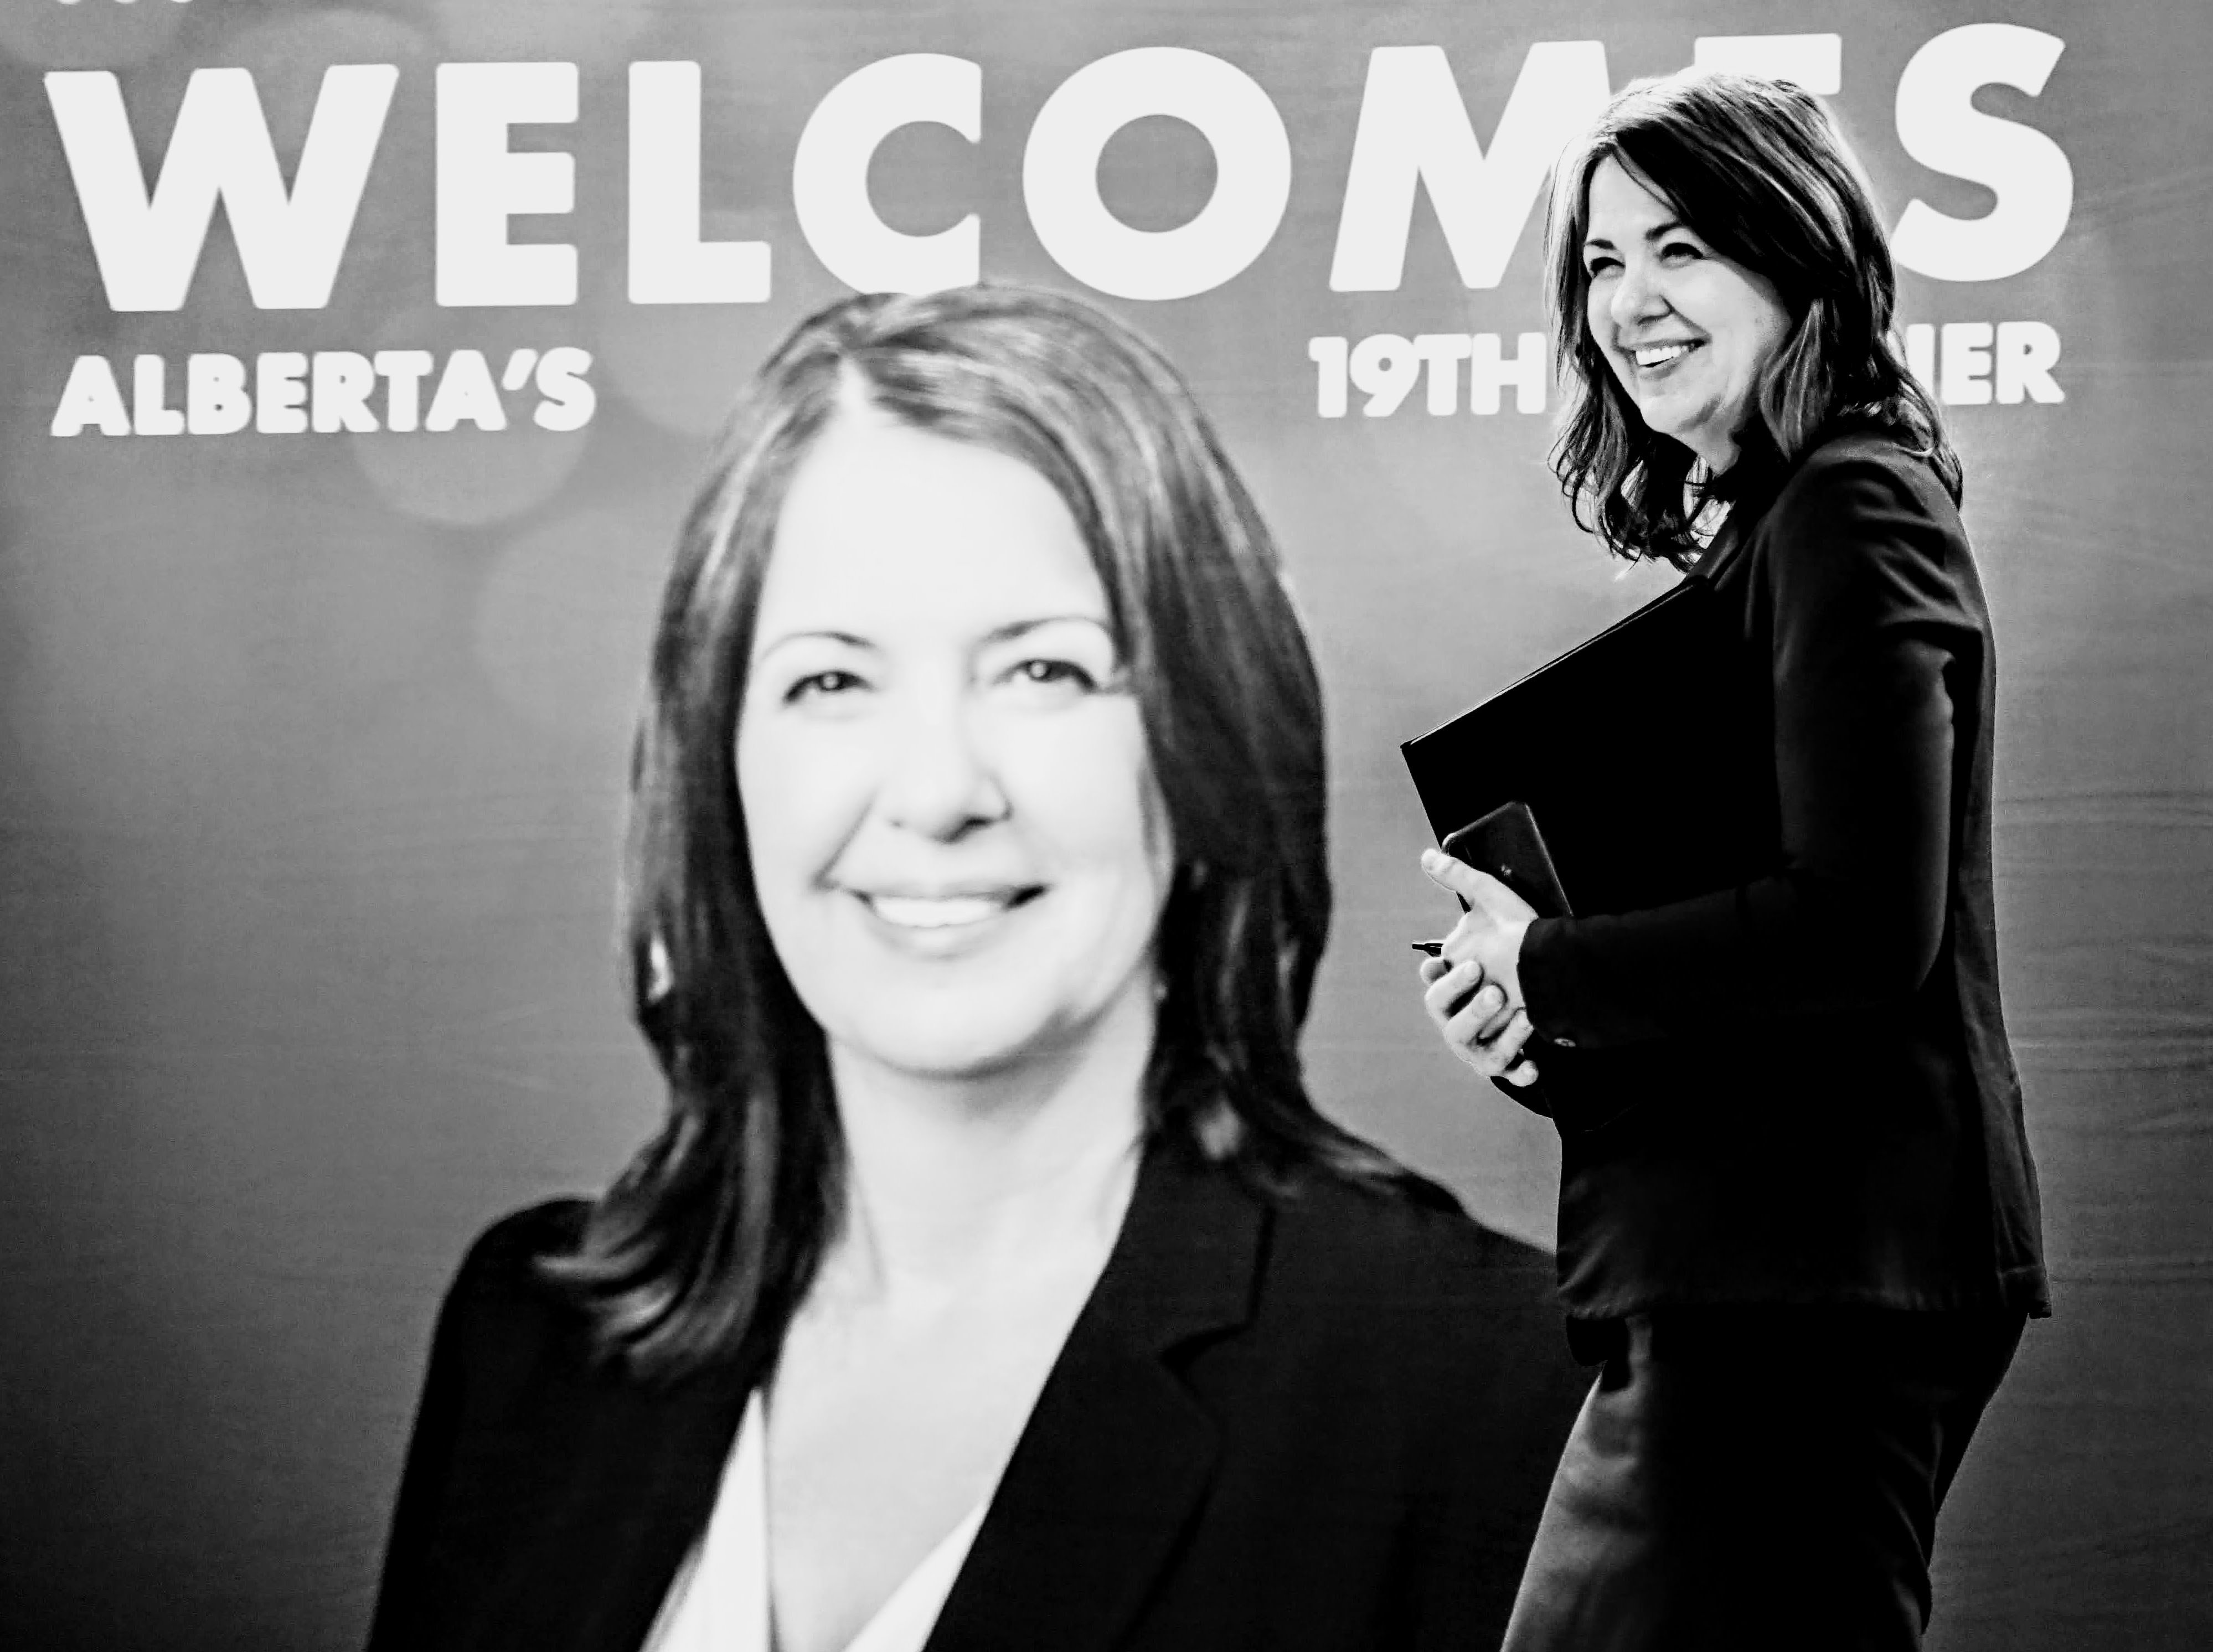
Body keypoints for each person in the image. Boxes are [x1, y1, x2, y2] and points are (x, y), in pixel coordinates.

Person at [367, 283, 1583, 1652]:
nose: (937, 790)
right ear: (723, 765)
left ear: (1199, 742)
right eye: (832, 682)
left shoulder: (1485, 1388)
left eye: (1046, 673)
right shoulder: (535, 1338)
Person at [1414, 71, 2049, 1651]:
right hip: (1748, 1275)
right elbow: (1749, 972)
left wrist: (1548, 964)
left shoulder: (1849, 507)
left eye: (1678, 248)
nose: (1625, 301)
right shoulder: (1781, 530)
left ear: (1796, 255)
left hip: (1809, 1293)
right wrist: (1533, 1030)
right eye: (1597, 262)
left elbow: (1853, 930)